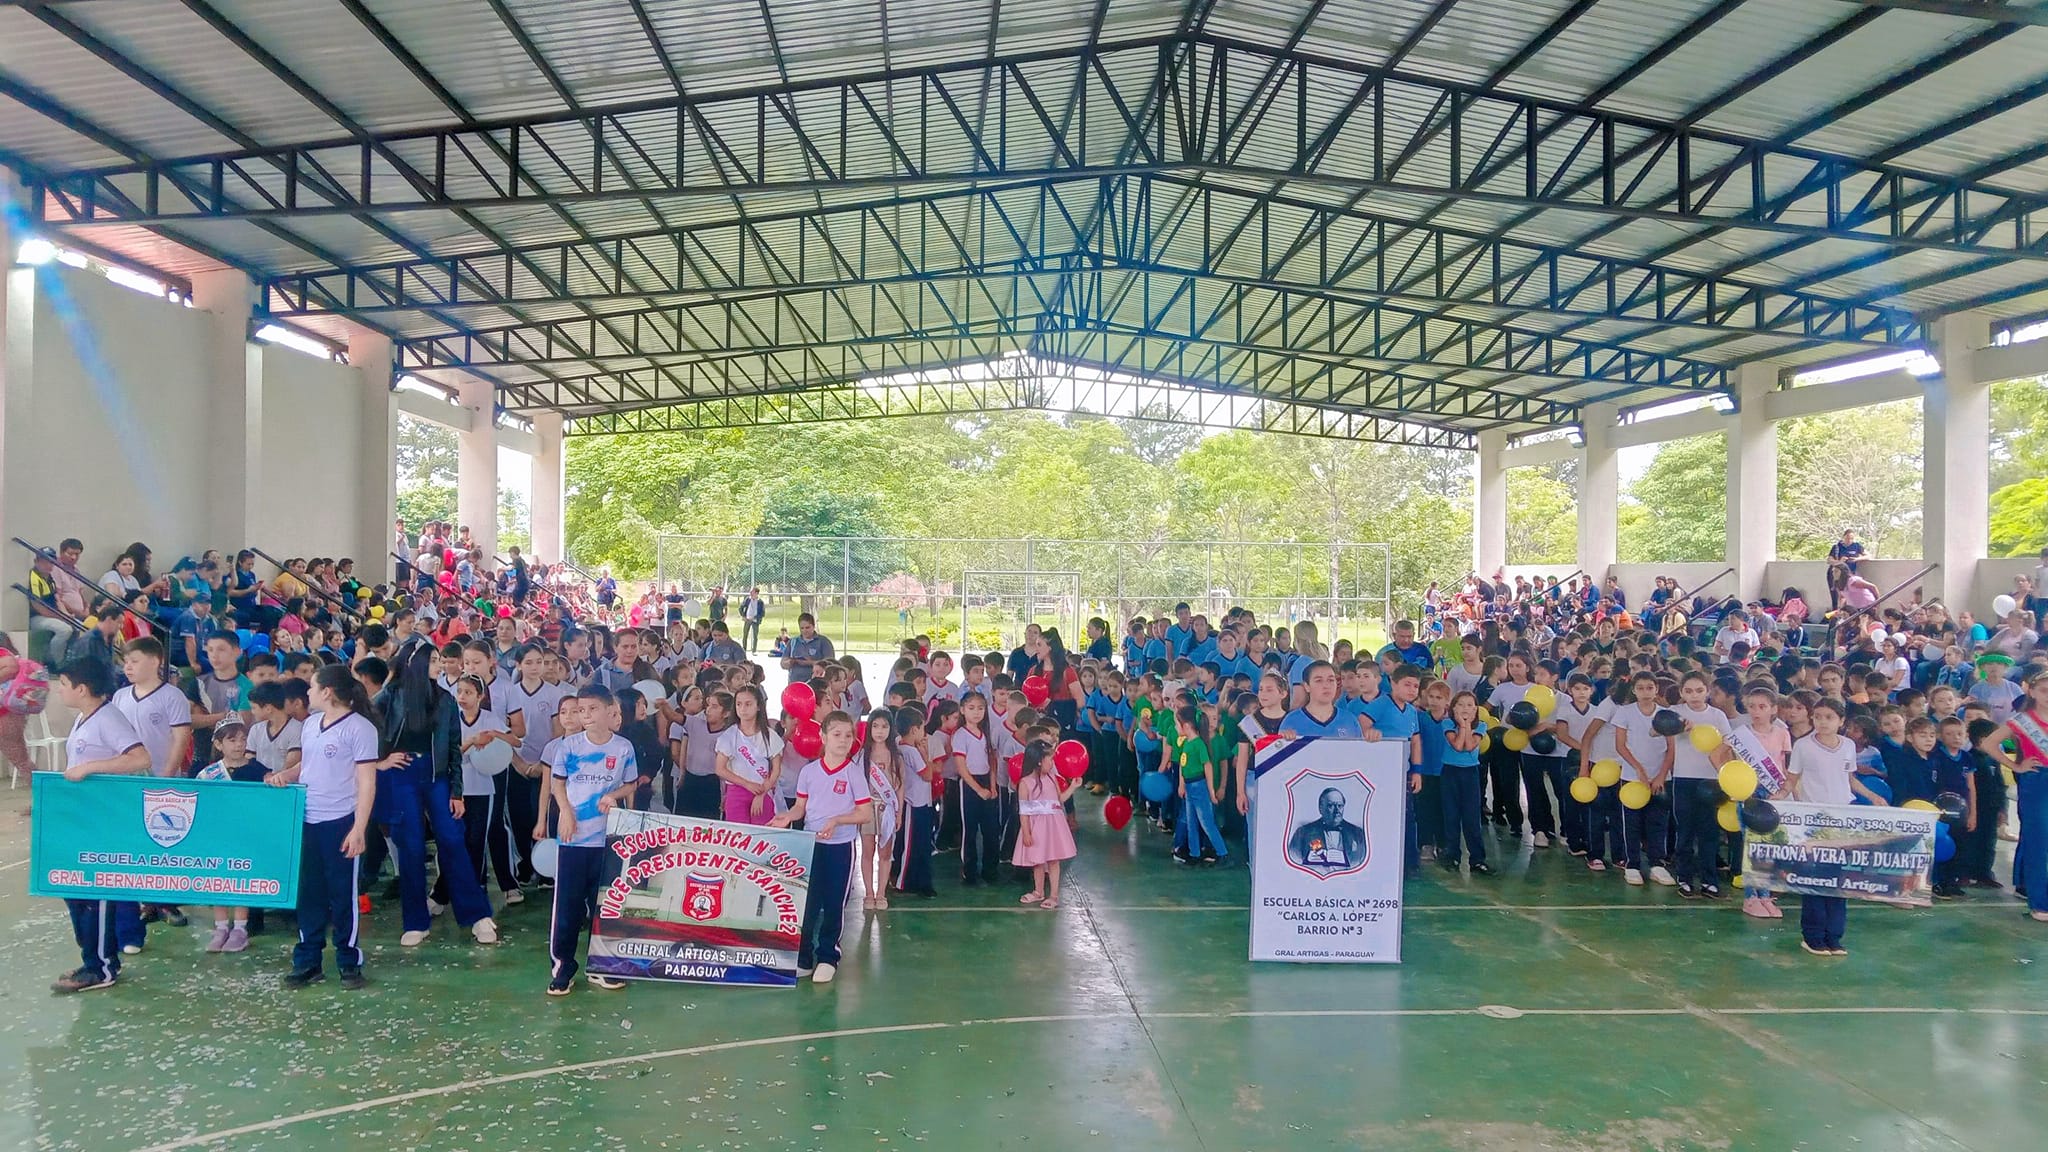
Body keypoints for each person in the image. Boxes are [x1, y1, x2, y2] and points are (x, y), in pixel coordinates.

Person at [49, 658, 152, 993]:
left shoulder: (108, 717)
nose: (60, 689)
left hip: (105, 821)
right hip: (83, 818)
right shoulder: (84, 718)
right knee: (74, 890)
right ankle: (90, 960)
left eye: (64, 683)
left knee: (98, 893)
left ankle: (104, 967)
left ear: (82, 688)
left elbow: (140, 758)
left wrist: (91, 767)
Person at [278, 664, 383, 989]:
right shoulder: (310, 725)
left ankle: (348, 962)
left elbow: (367, 782)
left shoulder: (360, 729)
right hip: (308, 819)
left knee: (343, 896)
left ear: (327, 692)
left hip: (341, 822)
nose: (307, 693)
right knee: (308, 894)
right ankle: (308, 961)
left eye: (311, 687)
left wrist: (359, 828)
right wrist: (286, 775)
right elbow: (307, 765)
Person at [546, 684, 639, 995]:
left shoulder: (623, 748)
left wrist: (613, 795)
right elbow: (557, 785)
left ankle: (603, 965)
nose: (584, 715)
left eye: (591, 709)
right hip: (573, 840)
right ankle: (563, 967)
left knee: (606, 906)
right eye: (580, 710)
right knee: (568, 907)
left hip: (608, 839)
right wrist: (566, 813)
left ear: (609, 710)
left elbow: (629, 785)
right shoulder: (569, 747)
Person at [771, 711, 872, 984]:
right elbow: (800, 807)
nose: (843, 741)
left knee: (834, 903)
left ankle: (828, 956)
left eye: (848, 735)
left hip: (841, 847)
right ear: (823, 737)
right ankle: (803, 958)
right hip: (811, 845)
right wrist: (787, 817)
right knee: (807, 903)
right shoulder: (809, 772)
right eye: (836, 734)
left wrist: (838, 820)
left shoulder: (853, 773)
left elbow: (865, 813)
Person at [1786, 697, 1889, 955]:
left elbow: (1849, 778)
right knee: (1813, 879)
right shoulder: (1803, 746)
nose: (1822, 722)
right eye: (1818, 716)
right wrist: (1779, 798)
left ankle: (1834, 936)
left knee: (1837, 880)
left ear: (1841, 721)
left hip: (1842, 819)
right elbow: (1791, 780)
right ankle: (1812, 936)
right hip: (1813, 821)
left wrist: (1873, 796)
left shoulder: (1847, 746)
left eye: (1829, 717)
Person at [1014, 739, 1081, 908]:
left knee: (1053, 860)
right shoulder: (1025, 783)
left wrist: (1072, 787)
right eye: (1050, 759)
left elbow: (1059, 800)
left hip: (1053, 826)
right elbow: (1024, 811)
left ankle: (1054, 895)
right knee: (1037, 860)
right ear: (1038, 761)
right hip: (1036, 827)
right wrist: (1027, 832)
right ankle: (1038, 891)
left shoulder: (1052, 778)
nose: (1053, 763)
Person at [714, 684, 783, 824]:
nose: (743, 709)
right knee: (737, 838)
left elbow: (776, 770)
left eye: (748, 704)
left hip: (763, 791)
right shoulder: (729, 735)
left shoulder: (770, 736)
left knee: (761, 837)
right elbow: (720, 769)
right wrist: (747, 784)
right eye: (739, 704)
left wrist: (762, 793)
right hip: (737, 791)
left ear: (758, 706)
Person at [891, 704, 938, 899]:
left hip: (920, 802)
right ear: (914, 730)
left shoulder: (901, 745)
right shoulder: (910, 750)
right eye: (922, 728)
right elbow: (928, 774)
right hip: (913, 803)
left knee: (920, 844)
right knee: (911, 845)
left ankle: (918, 880)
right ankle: (904, 881)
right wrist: (925, 754)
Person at [858, 713, 902, 911]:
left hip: (888, 810)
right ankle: (868, 893)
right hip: (867, 809)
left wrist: (899, 812)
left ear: (890, 729)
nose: (879, 731)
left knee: (885, 853)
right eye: (875, 726)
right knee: (868, 852)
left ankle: (881, 893)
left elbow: (900, 786)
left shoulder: (896, 756)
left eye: (884, 727)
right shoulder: (861, 755)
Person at [1287, 786, 1368, 872]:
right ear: (1320, 808)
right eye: (1331, 806)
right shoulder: (1303, 833)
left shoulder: (1357, 833)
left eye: (1340, 806)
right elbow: (1293, 863)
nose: (1337, 811)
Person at [781, 612, 834, 684]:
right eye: (802, 628)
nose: (804, 631)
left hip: (816, 684)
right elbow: (782, 663)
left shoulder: (823, 642)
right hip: (795, 682)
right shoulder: (793, 642)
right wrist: (789, 662)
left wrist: (810, 662)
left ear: (813, 626)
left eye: (807, 627)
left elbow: (830, 664)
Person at [739, 587, 767, 653]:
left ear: (756, 593)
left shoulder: (760, 602)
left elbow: (762, 613)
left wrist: (755, 618)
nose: (751, 593)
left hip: (755, 620)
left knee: (755, 635)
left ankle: (754, 650)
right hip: (747, 619)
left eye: (752, 592)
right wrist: (743, 615)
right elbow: (741, 608)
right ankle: (744, 649)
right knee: (745, 634)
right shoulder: (747, 600)